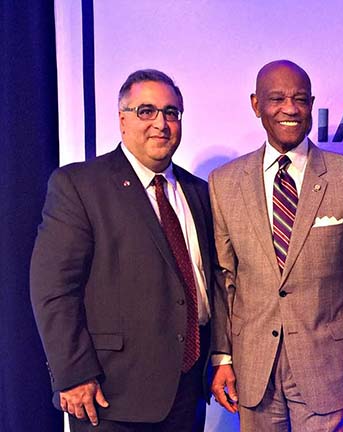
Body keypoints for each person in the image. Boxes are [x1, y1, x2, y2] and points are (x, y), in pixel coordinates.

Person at [30, 69, 214, 431]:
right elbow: (53, 290)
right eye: (146, 111)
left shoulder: (199, 192)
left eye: (171, 113)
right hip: (109, 395)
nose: (161, 123)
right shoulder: (80, 185)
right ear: (122, 120)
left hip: (187, 391)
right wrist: (73, 374)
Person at [208, 60, 343, 431]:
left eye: (300, 99)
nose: (290, 108)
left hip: (327, 366)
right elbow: (225, 281)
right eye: (277, 99)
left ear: (312, 103)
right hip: (254, 368)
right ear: (256, 105)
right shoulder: (224, 183)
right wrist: (222, 357)